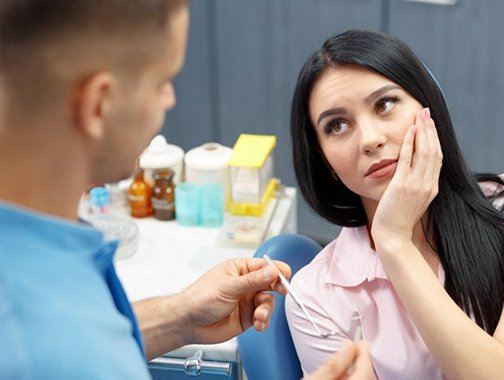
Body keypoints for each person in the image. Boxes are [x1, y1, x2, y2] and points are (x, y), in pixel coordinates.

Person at [0, 1, 368, 378]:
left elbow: (76, 338)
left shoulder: (41, 261)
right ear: (99, 105)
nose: (171, 100)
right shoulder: (35, 343)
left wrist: (180, 317)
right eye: (162, 82)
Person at [286, 29, 504, 379]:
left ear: (429, 107)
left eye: (384, 104)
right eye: (337, 125)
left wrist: (394, 241)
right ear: (325, 163)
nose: (370, 139)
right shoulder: (316, 299)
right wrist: (392, 238)